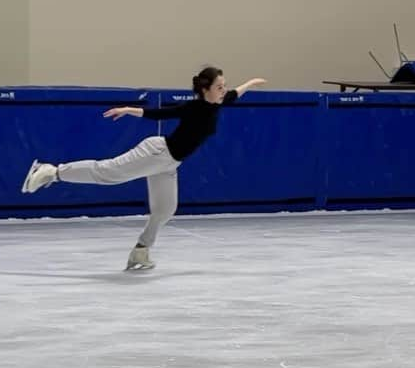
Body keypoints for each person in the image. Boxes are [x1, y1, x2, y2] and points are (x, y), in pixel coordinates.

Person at [21, 68, 266, 270]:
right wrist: (129, 110)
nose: (224, 90)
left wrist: (251, 83)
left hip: (169, 164)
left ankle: (141, 251)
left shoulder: (218, 103)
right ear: (206, 90)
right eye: (219, 87)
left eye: (224, 86)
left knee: (166, 209)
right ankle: (52, 171)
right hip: (156, 153)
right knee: (107, 173)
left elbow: (235, 94)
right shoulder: (195, 107)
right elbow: (160, 112)